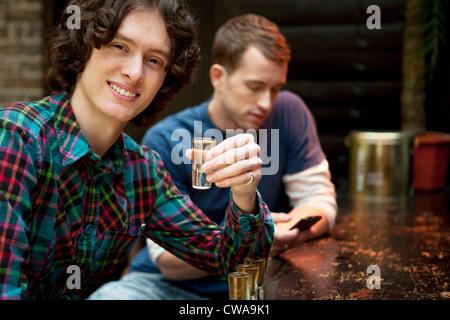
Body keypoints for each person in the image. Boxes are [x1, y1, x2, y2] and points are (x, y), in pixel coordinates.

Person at [0, 1, 274, 300]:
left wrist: (244, 195)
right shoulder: (16, 138)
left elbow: (233, 261)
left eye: (154, 60)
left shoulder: (141, 171)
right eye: (119, 46)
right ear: (84, 48)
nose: (135, 72)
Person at [89, 13, 337, 300]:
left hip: (258, 283)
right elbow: (167, 262)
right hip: (168, 287)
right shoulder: (167, 138)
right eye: (255, 87)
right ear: (218, 77)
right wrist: (254, 240)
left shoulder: (289, 111)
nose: (266, 103)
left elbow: (319, 202)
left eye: (276, 88)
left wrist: (281, 233)